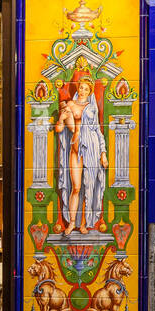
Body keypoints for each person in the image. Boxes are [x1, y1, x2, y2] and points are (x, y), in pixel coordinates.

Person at [55, 76, 107, 235]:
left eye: (86, 88)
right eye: (81, 87)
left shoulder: (92, 108)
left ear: (90, 91)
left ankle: (83, 224)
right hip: (75, 148)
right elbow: (59, 129)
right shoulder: (70, 104)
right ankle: (71, 223)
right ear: (77, 88)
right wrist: (62, 119)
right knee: (76, 187)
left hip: (91, 148)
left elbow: (97, 131)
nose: (82, 91)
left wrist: (103, 153)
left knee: (88, 188)